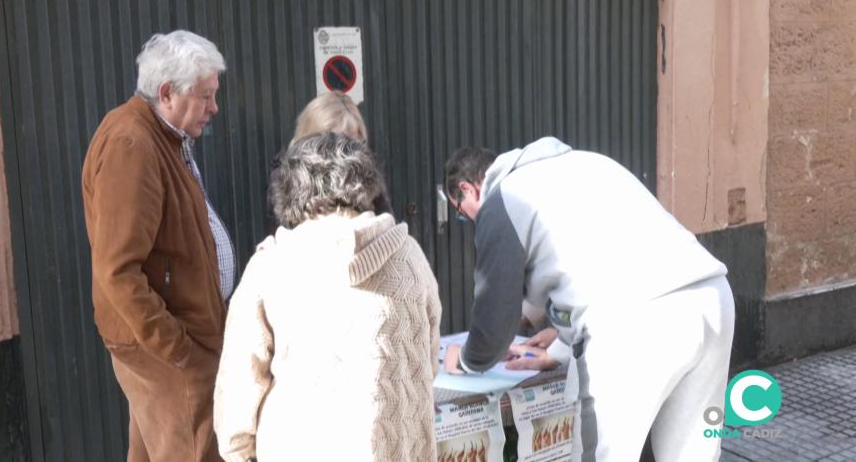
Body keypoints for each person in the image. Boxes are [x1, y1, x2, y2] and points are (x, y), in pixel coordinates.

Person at [441, 137, 735, 462]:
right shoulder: (586, 164)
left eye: (461, 214)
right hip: (711, 298)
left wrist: (468, 360)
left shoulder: (502, 200)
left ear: (467, 189)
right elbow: (600, 269)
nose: (468, 221)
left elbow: (496, 319)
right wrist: (558, 347)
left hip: (638, 324)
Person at [214, 133, 441, 461]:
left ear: (289, 192)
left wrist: (238, 452)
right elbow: (425, 360)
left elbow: (239, 387)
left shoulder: (271, 268)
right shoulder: (408, 256)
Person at [82, 30, 234, 462]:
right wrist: (179, 350)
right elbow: (117, 270)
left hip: (174, 344)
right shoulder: (133, 145)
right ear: (167, 92)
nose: (214, 108)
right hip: (170, 350)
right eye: (205, 96)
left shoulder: (160, 135)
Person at [264, 91, 391, 233]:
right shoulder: (285, 178)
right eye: (337, 143)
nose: (348, 153)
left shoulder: (367, 171)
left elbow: (386, 224)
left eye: (354, 142)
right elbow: (283, 234)